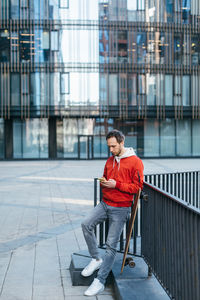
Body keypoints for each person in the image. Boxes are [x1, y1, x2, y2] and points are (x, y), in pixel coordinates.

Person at [81, 129, 144, 296]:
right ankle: (96, 259)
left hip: (121, 208)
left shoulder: (135, 162)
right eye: (109, 146)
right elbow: (104, 177)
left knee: (111, 246)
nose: (111, 150)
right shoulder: (110, 160)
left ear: (122, 142)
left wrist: (116, 185)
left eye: (113, 146)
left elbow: (137, 187)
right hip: (105, 204)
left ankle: (99, 281)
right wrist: (105, 183)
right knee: (85, 224)